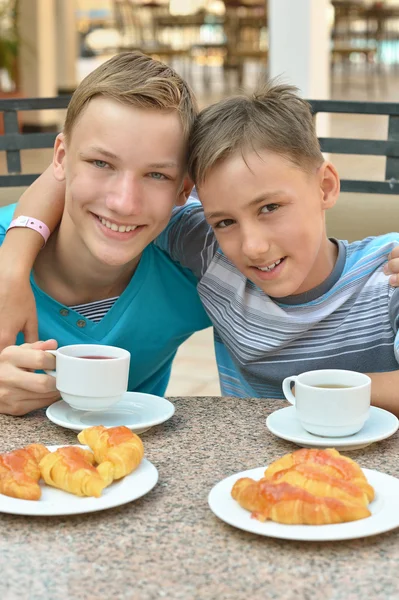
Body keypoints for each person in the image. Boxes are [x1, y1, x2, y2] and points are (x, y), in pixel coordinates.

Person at [2, 81, 399, 413]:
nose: (254, 247)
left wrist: (322, 389)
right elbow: (76, 175)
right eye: (224, 221)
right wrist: (13, 265)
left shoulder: (388, 275)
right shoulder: (212, 252)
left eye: (271, 208)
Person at [0, 51, 211, 415]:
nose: (124, 203)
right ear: (61, 158)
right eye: (101, 163)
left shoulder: (195, 266)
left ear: (183, 189)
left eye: (156, 174)